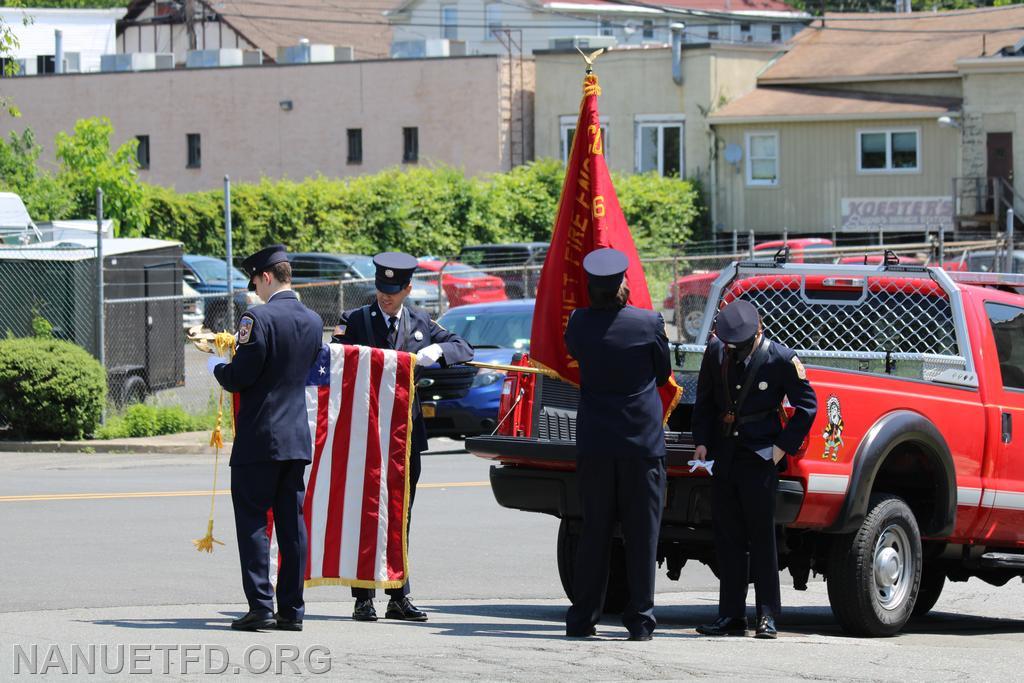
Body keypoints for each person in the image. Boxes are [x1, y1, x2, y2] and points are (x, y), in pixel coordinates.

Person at [331, 251, 473, 622]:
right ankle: (363, 596)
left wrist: (437, 350)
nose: (385, 296)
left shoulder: (420, 322)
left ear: (408, 288)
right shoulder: (356, 320)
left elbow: (463, 347)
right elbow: (336, 359)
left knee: (399, 515)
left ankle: (398, 595)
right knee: (364, 515)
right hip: (366, 432)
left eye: (393, 290)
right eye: (381, 288)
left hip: (404, 436)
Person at [208, 244, 324, 632]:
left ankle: (261, 606)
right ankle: (292, 610)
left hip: (260, 436)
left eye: (256, 280)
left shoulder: (257, 318)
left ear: (268, 276)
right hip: (295, 435)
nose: (255, 288)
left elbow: (242, 375)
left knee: (254, 522)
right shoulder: (312, 320)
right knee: (293, 527)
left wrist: (217, 367)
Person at [563, 248, 672, 642]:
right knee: (642, 535)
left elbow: (574, 352)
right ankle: (640, 620)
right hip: (640, 445)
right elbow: (664, 372)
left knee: (595, 532)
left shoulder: (578, 323)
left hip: (596, 443)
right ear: (623, 285)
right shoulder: (648, 323)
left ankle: (583, 617)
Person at [691, 299, 817, 640]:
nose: (734, 352)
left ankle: (767, 615)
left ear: (757, 332)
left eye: (740, 346)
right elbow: (705, 401)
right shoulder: (717, 353)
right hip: (725, 455)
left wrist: (781, 449)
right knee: (728, 537)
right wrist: (701, 440)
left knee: (761, 537)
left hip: (761, 455)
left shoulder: (780, 358)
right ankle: (730, 615)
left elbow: (807, 407)